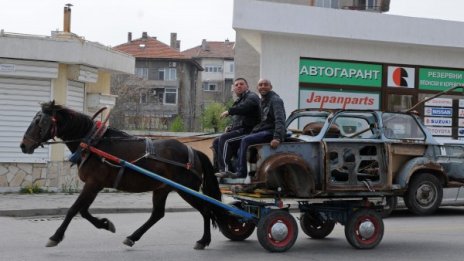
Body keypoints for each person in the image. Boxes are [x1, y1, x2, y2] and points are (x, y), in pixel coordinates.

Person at [217, 78, 286, 179]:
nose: (263, 87)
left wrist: (277, 137)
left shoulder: (275, 100)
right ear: (257, 87)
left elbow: (280, 119)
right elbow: (254, 121)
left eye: (265, 85)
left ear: (270, 87)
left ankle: (240, 173)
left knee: (244, 139)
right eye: (260, 85)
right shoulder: (263, 101)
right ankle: (226, 170)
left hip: (271, 132)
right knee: (219, 141)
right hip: (263, 130)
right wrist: (232, 128)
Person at [212, 77, 260, 176]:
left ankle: (225, 170)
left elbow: (246, 107)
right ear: (233, 89)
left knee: (224, 139)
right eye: (236, 85)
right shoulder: (239, 101)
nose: (238, 86)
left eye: (241, 84)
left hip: (250, 132)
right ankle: (223, 169)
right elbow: (240, 119)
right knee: (216, 141)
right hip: (241, 131)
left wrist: (229, 111)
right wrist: (230, 127)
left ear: (247, 86)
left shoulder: (252, 96)